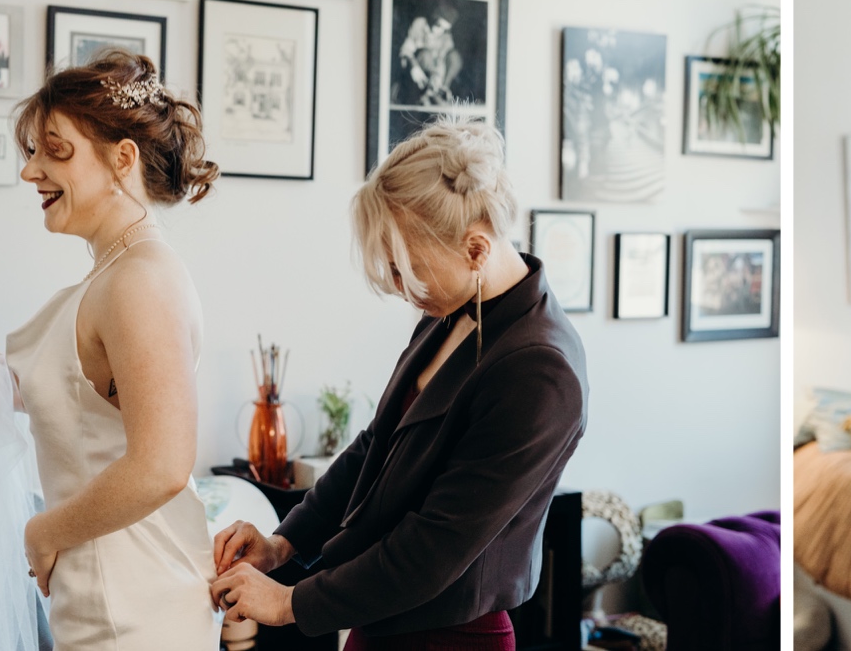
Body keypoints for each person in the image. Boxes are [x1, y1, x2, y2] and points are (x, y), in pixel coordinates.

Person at [208, 119, 588, 651]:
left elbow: (433, 548)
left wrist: (289, 602)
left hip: (450, 638)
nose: (400, 288)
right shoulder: (451, 312)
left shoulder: (541, 371)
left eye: (408, 267)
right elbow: (375, 448)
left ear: (475, 249)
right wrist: (282, 544)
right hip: (381, 621)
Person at [1, 49, 222, 649]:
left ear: (122, 160)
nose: (31, 172)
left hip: (134, 603)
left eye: (56, 151)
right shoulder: (118, 275)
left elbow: (162, 464)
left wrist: (44, 533)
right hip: (106, 589)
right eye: (33, 153)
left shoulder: (139, 281)